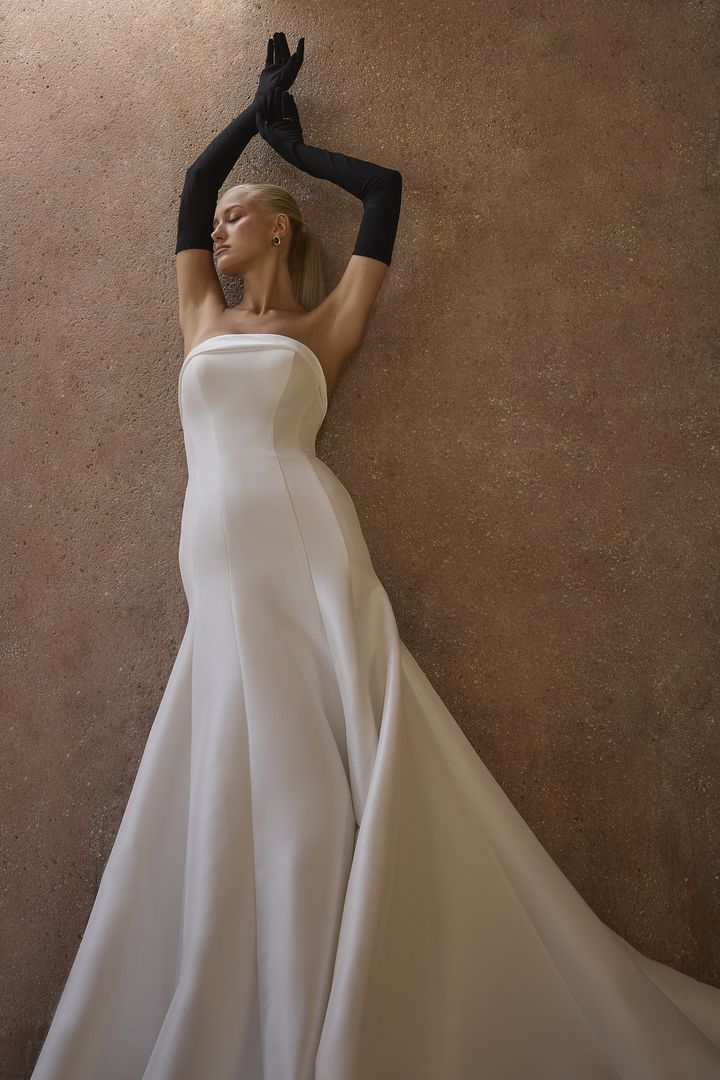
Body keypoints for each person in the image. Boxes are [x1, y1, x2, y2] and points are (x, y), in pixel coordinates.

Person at [30, 31, 720, 1080]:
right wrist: (246, 118)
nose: (217, 226)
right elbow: (186, 186)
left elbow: (389, 191)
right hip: (216, 555)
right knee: (234, 742)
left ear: (281, 226)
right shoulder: (198, 316)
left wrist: (293, 150)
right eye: (217, 221)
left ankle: (343, 979)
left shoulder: (325, 328)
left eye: (238, 214)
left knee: (323, 751)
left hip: (307, 538)